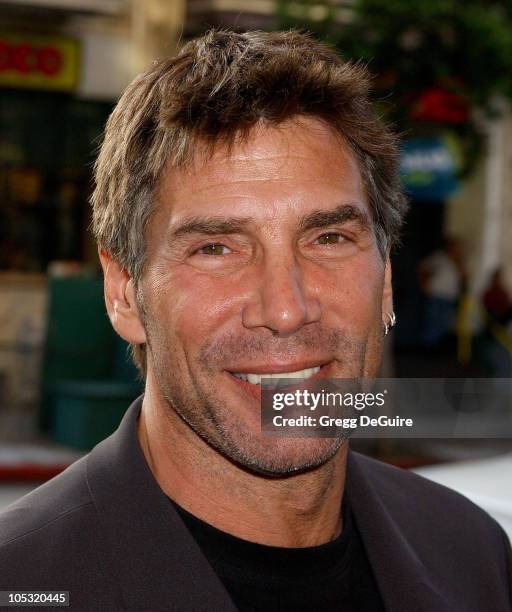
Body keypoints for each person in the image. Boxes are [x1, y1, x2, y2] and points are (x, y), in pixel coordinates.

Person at [0, 30, 510, 611]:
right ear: (124, 293)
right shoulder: (22, 581)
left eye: (329, 237)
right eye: (217, 248)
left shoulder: (473, 556)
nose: (286, 310)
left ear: (386, 276)